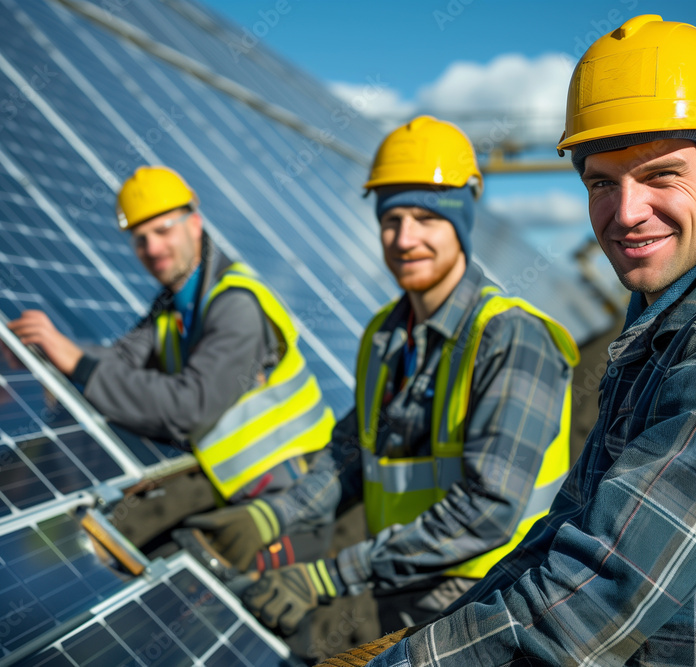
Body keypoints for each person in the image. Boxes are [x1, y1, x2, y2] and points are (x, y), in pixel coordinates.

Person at [350, 15, 696, 667]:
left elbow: (593, 594)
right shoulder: (665, 331)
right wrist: (425, 640)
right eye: (602, 181)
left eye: (661, 174)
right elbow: (563, 534)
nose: (626, 211)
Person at [193, 116, 580, 644]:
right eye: (391, 219)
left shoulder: (511, 338)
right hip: (402, 567)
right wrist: (270, 516)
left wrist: (328, 576)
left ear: (462, 220)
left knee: (308, 641)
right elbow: (350, 455)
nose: (404, 238)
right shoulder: (385, 334)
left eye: (426, 217)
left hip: (489, 590)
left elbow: (485, 513)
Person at [8, 166, 335, 540]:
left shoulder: (236, 305)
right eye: (140, 239)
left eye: (163, 231)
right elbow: (123, 361)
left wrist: (78, 362)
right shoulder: (174, 305)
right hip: (235, 492)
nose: (153, 249)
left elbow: (188, 409)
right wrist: (50, 346)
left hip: (292, 504)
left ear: (194, 223)